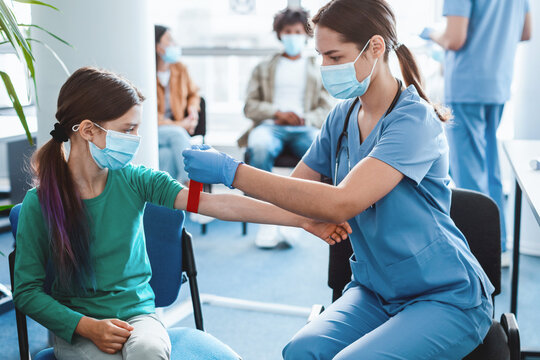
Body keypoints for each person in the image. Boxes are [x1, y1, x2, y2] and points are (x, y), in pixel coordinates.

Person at [182, 0, 495, 358]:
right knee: (300, 352)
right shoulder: (343, 118)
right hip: (377, 290)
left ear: (375, 48)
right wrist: (190, 199)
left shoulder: (414, 120)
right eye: (321, 57)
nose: (325, 67)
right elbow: (288, 195)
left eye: (334, 57)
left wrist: (230, 170)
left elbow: (342, 201)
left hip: (444, 296)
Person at [12, 67, 350, 360]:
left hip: (138, 316)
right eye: (128, 129)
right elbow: (27, 292)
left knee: (147, 351)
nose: (137, 138)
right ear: (88, 130)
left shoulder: (136, 180)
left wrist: (302, 218)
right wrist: (86, 326)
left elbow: (220, 204)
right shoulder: (39, 203)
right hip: (78, 325)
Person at [420, 0, 532, 265]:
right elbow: (526, 32)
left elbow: (455, 39)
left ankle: (479, 251)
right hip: (499, 82)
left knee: (469, 170)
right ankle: (498, 245)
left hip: (468, 84)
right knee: (491, 167)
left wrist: (431, 34)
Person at [240, 7, 333, 249]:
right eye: (287, 31)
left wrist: (304, 117)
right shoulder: (264, 68)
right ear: (280, 34)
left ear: (306, 34)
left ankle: (297, 219)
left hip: (306, 127)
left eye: (297, 31)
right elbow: (250, 106)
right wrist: (277, 113)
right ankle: (266, 220)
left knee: (320, 151)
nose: (292, 36)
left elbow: (326, 106)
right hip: (271, 126)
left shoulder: (318, 67)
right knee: (258, 147)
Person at [155, 25, 200, 185]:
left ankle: (175, 206)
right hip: (156, 129)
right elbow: (150, 117)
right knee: (178, 134)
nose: (174, 44)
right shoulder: (146, 73)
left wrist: (192, 109)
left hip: (175, 131)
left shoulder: (180, 69)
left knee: (166, 156)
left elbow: (194, 93)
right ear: (158, 47)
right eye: (170, 41)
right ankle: (191, 185)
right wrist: (181, 125)